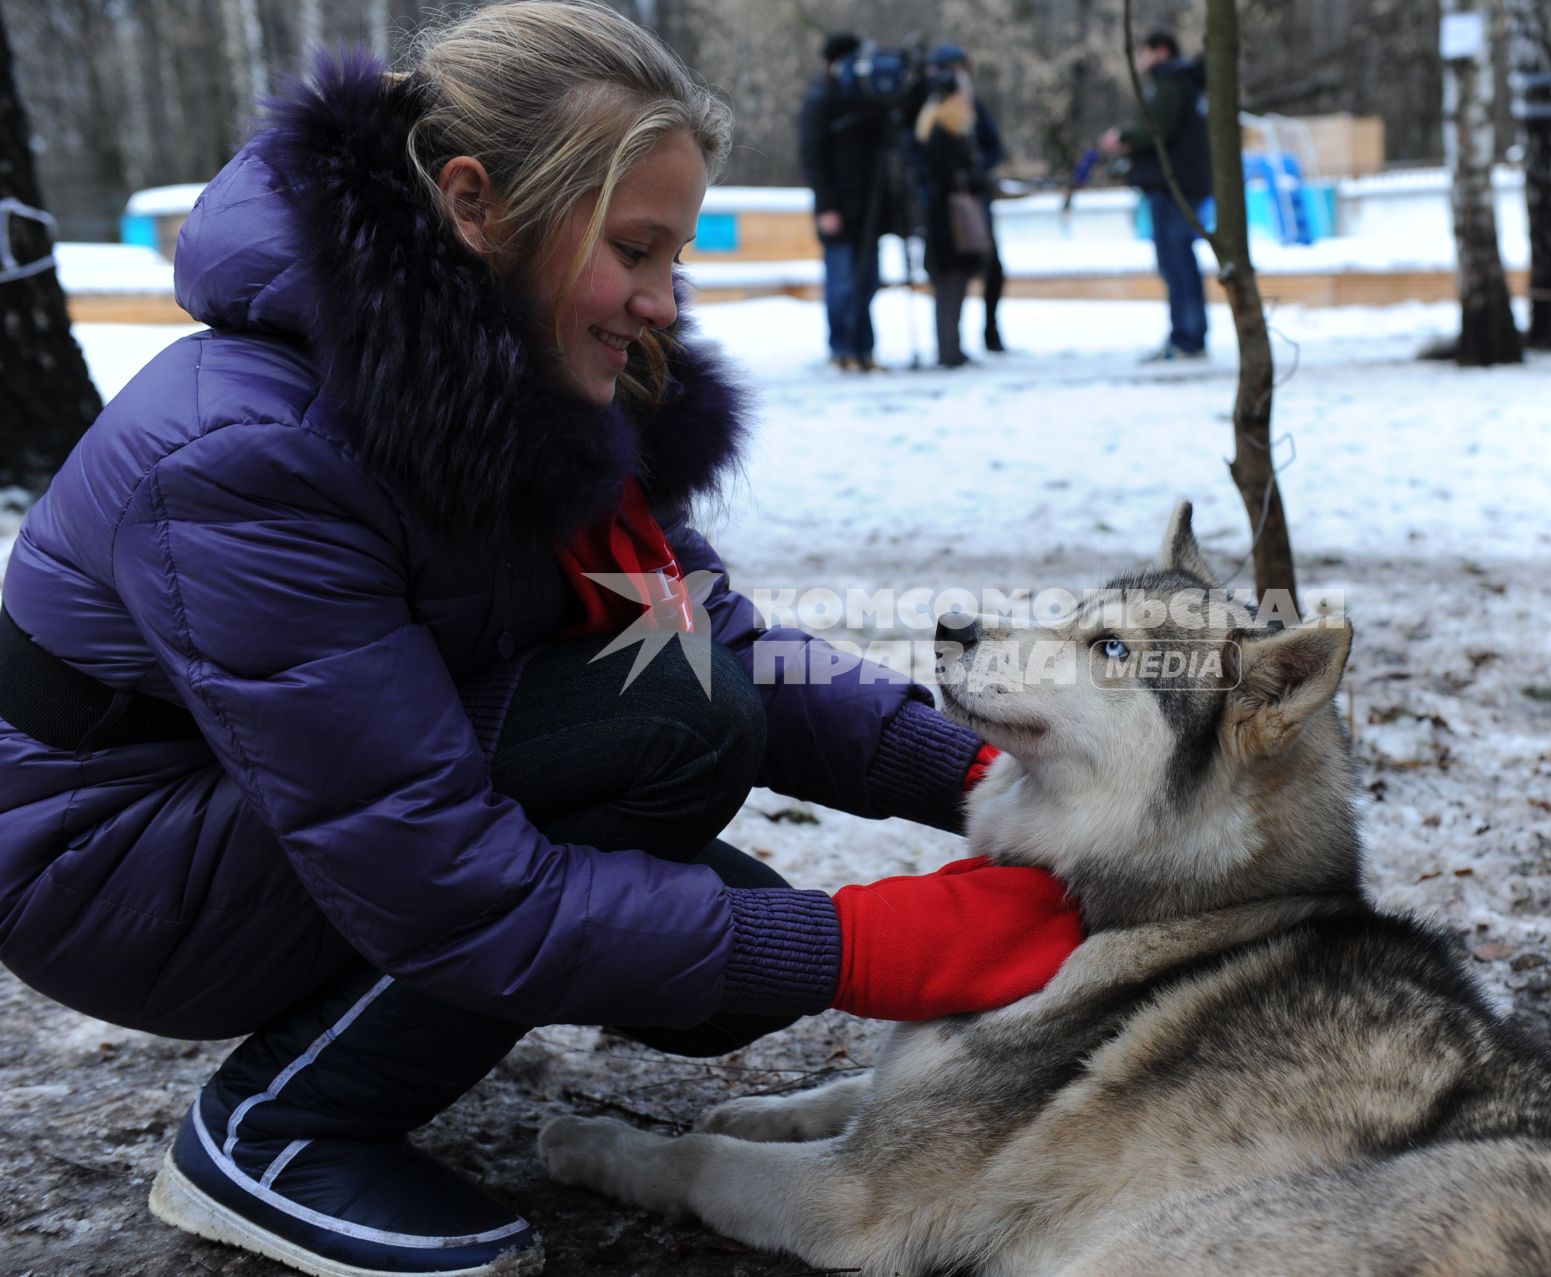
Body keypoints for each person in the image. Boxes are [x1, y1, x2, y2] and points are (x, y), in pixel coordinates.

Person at [0, 5, 1081, 1276]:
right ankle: (275, 1131)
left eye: (678, 256)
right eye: (636, 249)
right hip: (109, 863)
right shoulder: (252, 452)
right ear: (474, 202)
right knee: (676, 748)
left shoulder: (519, 382)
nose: (664, 302)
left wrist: (1012, 778)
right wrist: (862, 943)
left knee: (733, 943)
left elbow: (701, 640)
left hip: (286, 807)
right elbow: (438, 872)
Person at [1098, 30, 1213, 361]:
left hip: (1173, 185)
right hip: (1183, 184)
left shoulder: (1172, 84)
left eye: (1144, 52)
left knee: (1175, 263)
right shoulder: (1184, 83)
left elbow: (1157, 129)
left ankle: (1185, 338)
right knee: (1182, 261)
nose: (1141, 59)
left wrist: (1123, 137)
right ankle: (1191, 335)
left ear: (1161, 51)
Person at [798, 33, 889, 371]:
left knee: (868, 283)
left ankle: (864, 350)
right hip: (839, 211)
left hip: (869, 212)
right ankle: (842, 349)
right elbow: (813, 159)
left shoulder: (867, 100)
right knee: (843, 284)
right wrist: (826, 207)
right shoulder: (820, 100)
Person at [927, 43, 1009, 353]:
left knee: (991, 269)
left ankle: (988, 331)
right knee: (951, 273)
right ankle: (950, 346)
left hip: (974, 201)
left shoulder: (972, 106)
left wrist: (980, 173)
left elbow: (992, 144)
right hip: (949, 206)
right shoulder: (935, 112)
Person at [914, 73, 989, 369]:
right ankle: (948, 348)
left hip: (949, 219)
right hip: (948, 221)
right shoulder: (943, 133)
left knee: (954, 284)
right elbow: (946, 177)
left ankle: (951, 346)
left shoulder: (949, 130)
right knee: (948, 284)